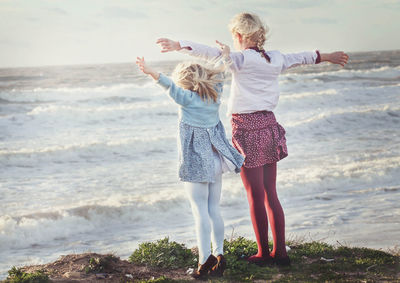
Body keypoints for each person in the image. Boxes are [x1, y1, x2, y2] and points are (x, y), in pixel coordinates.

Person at [156, 12, 349, 266]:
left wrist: (180, 45)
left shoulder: (240, 59)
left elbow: (210, 54)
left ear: (238, 36)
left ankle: (262, 254)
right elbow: (301, 57)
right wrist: (327, 57)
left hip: (247, 128)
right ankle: (280, 253)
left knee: (254, 194)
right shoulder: (275, 58)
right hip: (270, 126)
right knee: (271, 192)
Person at [135, 56, 244, 278]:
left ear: (185, 82)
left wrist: (150, 71)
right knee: (214, 209)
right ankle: (220, 255)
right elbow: (221, 75)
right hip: (216, 160)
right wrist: (223, 54)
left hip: (196, 164)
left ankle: (204, 262)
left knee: (199, 212)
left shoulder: (186, 99)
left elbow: (169, 86)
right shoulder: (216, 95)